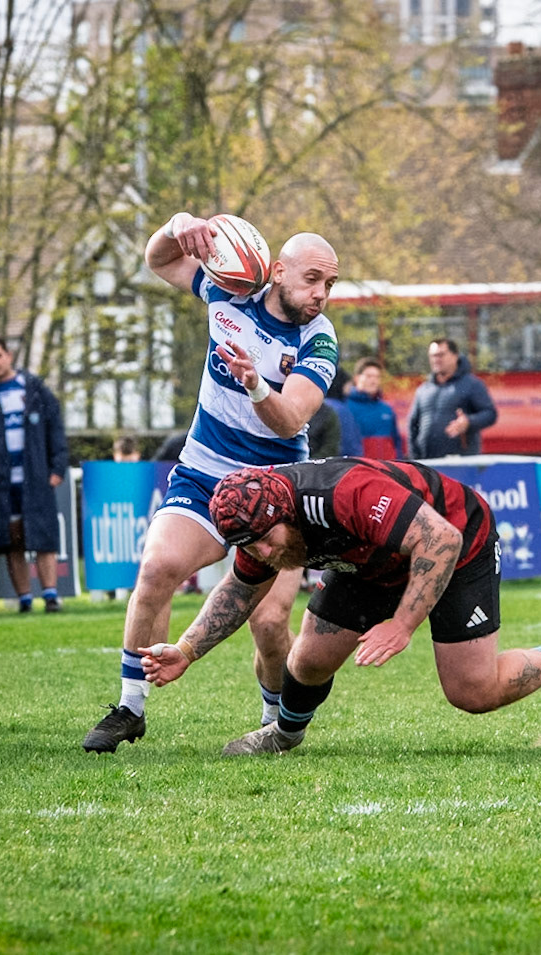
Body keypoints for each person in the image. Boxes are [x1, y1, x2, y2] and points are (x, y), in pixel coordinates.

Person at [81, 211, 341, 755]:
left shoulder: (319, 341)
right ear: (277, 272)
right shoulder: (228, 293)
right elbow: (159, 260)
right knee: (156, 569)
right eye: (312, 279)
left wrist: (254, 383)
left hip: (276, 489)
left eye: (329, 284)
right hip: (204, 470)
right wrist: (178, 227)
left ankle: (275, 722)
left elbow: (291, 418)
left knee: (270, 623)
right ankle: (130, 707)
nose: (321, 294)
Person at [136, 457, 541, 755]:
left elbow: (439, 539)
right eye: (248, 546)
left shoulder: (346, 493)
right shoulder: (260, 527)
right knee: (309, 658)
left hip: (458, 545)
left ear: (285, 515)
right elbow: (238, 591)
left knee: (472, 691)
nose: (260, 553)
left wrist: (402, 625)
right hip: (371, 563)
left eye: (263, 541)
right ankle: (284, 736)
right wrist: (187, 650)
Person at [0, 335, 69, 614]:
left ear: (8, 356)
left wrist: (57, 467)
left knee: (43, 536)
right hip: (3, 483)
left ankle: (51, 595)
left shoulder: (35, 390)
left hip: (37, 477)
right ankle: (24, 598)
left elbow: (55, 429)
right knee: (13, 539)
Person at [407, 338, 497, 458]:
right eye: (433, 356)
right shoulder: (423, 389)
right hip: (427, 464)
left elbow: (490, 414)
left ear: (455, 356)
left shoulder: (472, 384)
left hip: (460, 463)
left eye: (441, 355)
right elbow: (413, 425)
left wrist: (469, 422)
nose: (436, 360)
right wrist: (414, 459)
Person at [347, 356, 403, 459]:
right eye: (369, 376)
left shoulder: (387, 410)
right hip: (359, 470)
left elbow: (397, 443)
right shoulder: (346, 408)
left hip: (387, 470)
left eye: (377, 377)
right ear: (356, 378)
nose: (374, 381)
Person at [324, 367, 362, 456]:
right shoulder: (341, 409)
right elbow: (349, 440)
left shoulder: (320, 404)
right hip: (342, 461)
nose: (350, 388)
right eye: (348, 384)